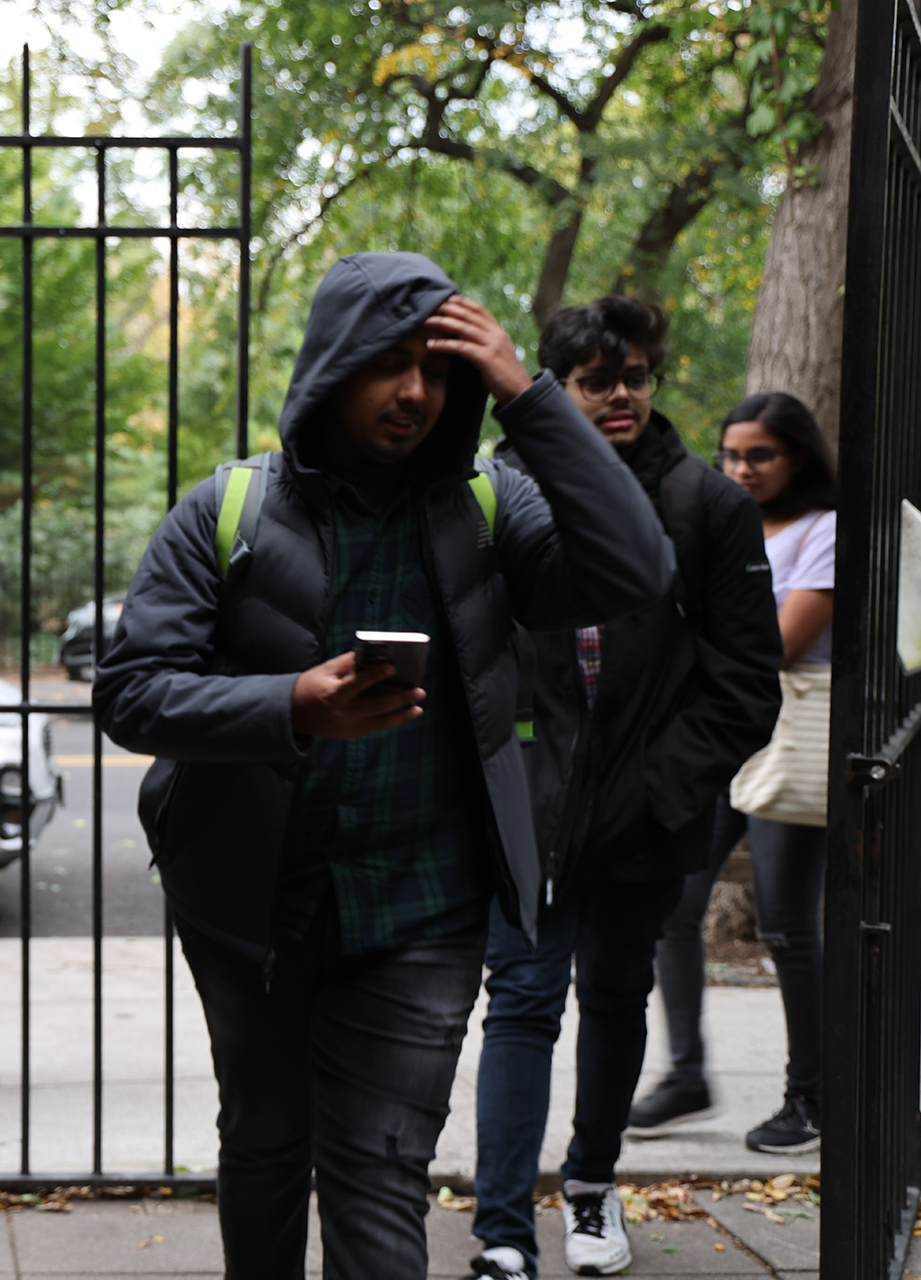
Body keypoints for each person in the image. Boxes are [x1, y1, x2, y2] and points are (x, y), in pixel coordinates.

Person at [94, 252, 672, 1280]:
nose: (413, 391)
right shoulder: (223, 510)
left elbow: (635, 564)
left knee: (377, 1170)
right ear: (331, 363)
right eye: (385, 363)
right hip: (250, 906)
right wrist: (289, 704)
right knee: (267, 1139)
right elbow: (131, 691)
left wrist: (524, 391)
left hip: (423, 907)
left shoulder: (491, 507)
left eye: (434, 368)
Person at [465, 297, 782, 1280]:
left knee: (611, 995)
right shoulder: (495, 489)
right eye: (595, 379)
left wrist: (661, 787)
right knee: (520, 1001)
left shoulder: (705, 504)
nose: (619, 395)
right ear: (551, 387)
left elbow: (743, 679)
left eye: (633, 376)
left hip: (644, 814)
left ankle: (592, 1187)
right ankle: (502, 1228)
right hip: (524, 809)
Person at [629, 392, 837, 1155]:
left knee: (786, 925)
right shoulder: (723, 518)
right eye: (731, 454)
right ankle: (686, 1073)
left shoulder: (826, 532)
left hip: (788, 743)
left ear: (798, 458)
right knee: (673, 909)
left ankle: (809, 1099)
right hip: (721, 743)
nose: (742, 468)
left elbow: (776, 644)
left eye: (760, 454)